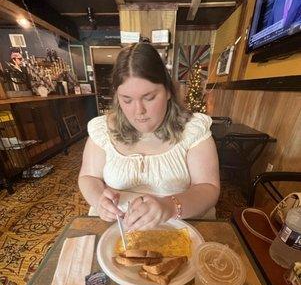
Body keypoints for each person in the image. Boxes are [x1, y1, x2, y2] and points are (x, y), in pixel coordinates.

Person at [78, 43, 220, 232]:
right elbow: (88, 176)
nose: (139, 111)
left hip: (180, 226)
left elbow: (208, 187)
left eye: (149, 97)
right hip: (118, 228)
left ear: (168, 91)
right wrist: (98, 200)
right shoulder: (102, 129)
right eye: (127, 100)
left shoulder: (193, 129)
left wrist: (169, 206)